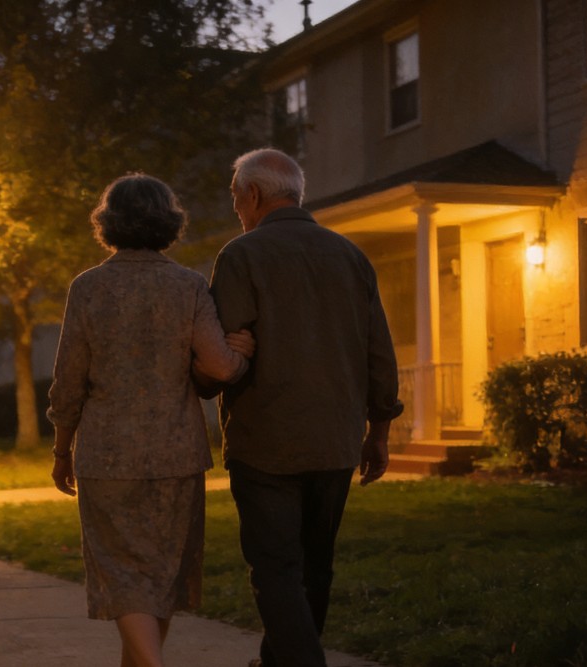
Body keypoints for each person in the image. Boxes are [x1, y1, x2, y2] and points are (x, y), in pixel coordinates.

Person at [47, 173, 254, 667]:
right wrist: (241, 355)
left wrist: (61, 449)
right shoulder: (187, 286)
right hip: (176, 454)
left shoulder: (89, 288)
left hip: (106, 455)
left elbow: (69, 380)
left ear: (108, 223)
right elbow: (221, 366)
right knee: (161, 576)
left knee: (123, 576)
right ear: (169, 222)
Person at [207, 148, 403, 667]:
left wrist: (210, 374)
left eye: (234, 199)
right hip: (337, 439)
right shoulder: (349, 256)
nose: (236, 211)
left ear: (252, 195)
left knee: (274, 568)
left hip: (265, 439)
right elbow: (379, 351)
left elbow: (220, 356)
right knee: (316, 567)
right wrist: (378, 431)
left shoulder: (241, 256)